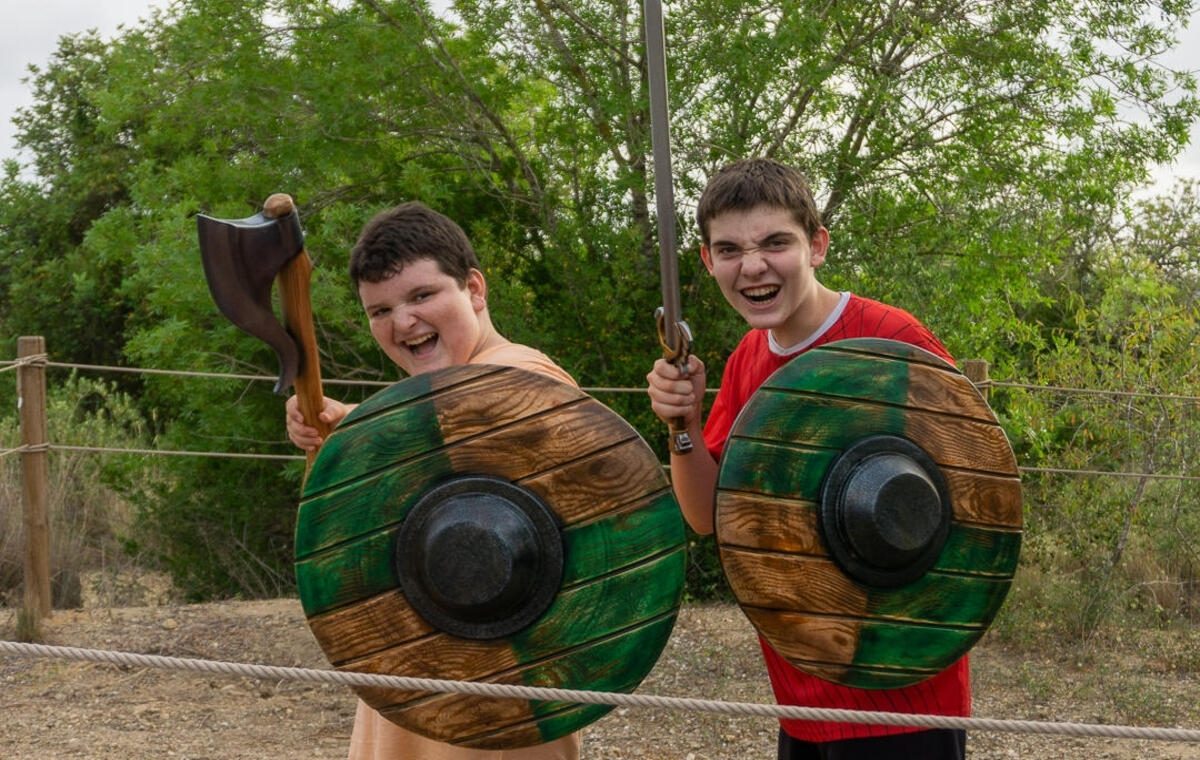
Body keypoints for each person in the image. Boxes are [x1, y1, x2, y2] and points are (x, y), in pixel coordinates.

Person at [645, 158, 968, 759]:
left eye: (775, 243)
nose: (753, 266)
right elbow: (706, 516)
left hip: (901, 695)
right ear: (708, 260)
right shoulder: (747, 360)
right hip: (802, 687)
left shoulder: (890, 340)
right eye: (730, 249)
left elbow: (975, 499)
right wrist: (682, 425)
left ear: (816, 245)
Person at [286, 201, 581, 760]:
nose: (403, 322)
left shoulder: (525, 372)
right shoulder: (413, 407)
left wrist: (356, 428)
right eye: (380, 310)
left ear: (475, 289)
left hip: (496, 703)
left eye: (422, 295)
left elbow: (479, 411)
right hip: (411, 687)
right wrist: (336, 437)